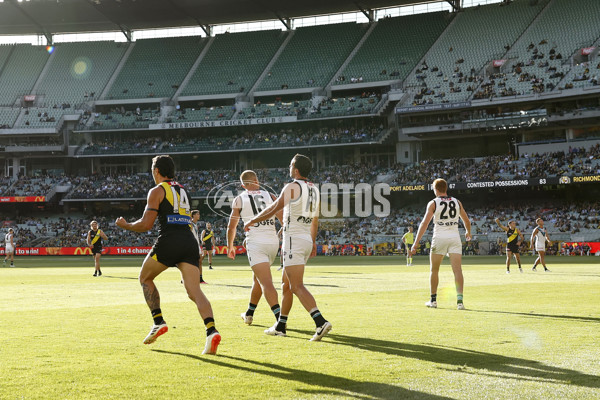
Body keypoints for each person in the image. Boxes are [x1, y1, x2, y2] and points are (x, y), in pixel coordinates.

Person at [115, 155, 220, 354]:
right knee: (194, 291)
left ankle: (158, 321)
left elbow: (146, 225)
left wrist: (126, 225)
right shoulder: (183, 190)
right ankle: (211, 330)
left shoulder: (156, 191)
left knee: (145, 278)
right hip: (189, 241)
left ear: (156, 171)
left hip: (169, 240)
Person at [243, 154, 332, 341]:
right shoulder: (314, 189)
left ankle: (320, 321)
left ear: (296, 170)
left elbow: (273, 208)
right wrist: (313, 242)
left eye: (291, 164)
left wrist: (252, 220)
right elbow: (315, 220)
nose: (289, 167)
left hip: (293, 240)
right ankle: (281, 325)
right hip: (305, 239)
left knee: (296, 285)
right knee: (286, 285)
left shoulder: (292, 186)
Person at [227, 170, 283, 325]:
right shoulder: (270, 196)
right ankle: (249, 313)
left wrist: (230, 246)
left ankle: (280, 320)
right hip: (272, 243)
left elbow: (232, 227)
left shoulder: (239, 199)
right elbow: (282, 217)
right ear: (257, 180)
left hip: (256, 243)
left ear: (243, 185)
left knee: (266, 282)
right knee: (257, 279)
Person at [411, 178, 471, 310]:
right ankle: (460, 302)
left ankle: (433, 301)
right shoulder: (457, 202)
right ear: (446, 188)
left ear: (435, 189)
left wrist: (415, 243)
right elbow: (467, 221)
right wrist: (468, 232)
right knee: (457, 271)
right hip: (454, 237)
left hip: (439, 237)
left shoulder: (433, 203)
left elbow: (424, 223)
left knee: (434, 270)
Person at [190, 210, 207, 284]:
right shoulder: (190, 224)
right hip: (192, 245)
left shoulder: (195, 225)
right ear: (193, 215)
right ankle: (186, 278)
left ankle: (200, 279)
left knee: (199, 261)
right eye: (197, 214)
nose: (199, 215)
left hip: (197, 245)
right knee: (190, 262)